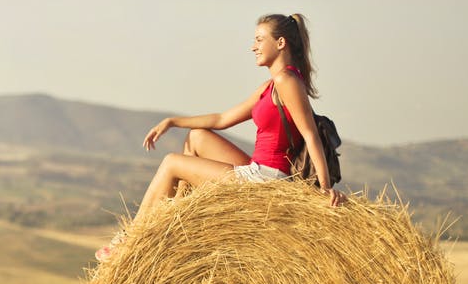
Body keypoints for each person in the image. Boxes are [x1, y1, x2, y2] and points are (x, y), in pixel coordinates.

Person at [95, 13, 346, 262]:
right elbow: (222, 119)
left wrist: (324, 190)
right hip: (256, 170)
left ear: (281, 43)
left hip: (266, 179)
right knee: (197, 137)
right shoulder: (269, 87)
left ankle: (129, 241)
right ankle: (175, 219)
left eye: (259, 39)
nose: (253, 46)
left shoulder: (286, 81)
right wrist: (172, 122)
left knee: (172, 162)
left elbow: (310, 134)